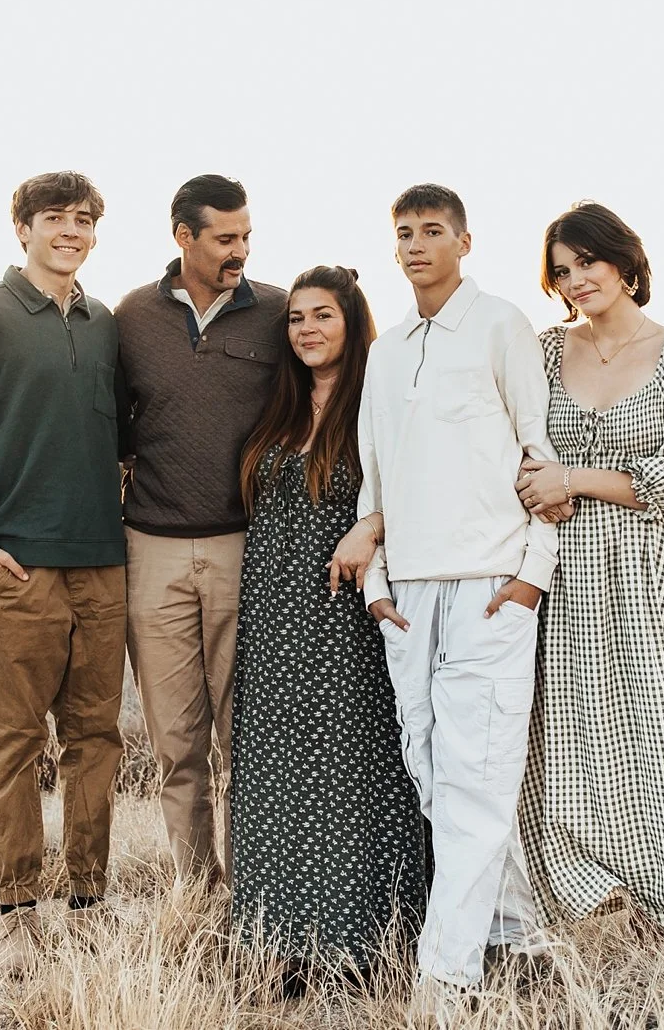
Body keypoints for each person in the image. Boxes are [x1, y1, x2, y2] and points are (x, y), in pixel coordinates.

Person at [513, 201, 664, 957]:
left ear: (624, 262)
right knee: (562, 739)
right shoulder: (546, 353)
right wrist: (538, 483)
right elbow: (517, 449)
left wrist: (574, 478)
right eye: (562, 271)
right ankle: (587, 908)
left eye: (587, 262)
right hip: (563, 575)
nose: (576, 280)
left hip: (652, 576)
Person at [350, 183, 560, 994]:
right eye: (404, 232)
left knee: (478, 778)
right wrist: (376, 587)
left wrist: (531, 576)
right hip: (408, 593)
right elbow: (374, 477)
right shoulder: (387, 350)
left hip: (489, 586)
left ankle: (444, 981)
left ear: (463, 242)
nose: (415, 245)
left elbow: (540, 457)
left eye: (432, 230)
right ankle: (520, 935)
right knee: (436, 773)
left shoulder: (502, 324)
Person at [0, 170, 128, 964]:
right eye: (55, 218)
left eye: (84, 219)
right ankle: (16, 912)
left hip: (103, 565)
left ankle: (89, 903)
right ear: (23, 229)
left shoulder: (105, 325)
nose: (71, 231)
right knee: (14, 742)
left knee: (96, 739)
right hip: (19, 571)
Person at [228, 266, 429, 972]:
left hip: (346, 617)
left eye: (323, 315)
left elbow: (425, 483)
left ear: (352, 323)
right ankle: (275, 944)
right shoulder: (279, 405)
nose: (307, 329)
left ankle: (362, 944)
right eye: (296, 317)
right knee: (273, 769)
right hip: (271, 615)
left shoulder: (379, 400)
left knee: (351, 765)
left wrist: (371, 524)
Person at [115, 173, 288, 886]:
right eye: (225, 238)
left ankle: (252, 894)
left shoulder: (277, 312)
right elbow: (113, 428)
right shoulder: (132, 316)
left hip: (245, 549)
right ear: (183, 236)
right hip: (150, 550)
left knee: (247, 740)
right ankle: (195, 890)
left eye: (246, 235)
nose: (240, 250)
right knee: (176, 743)